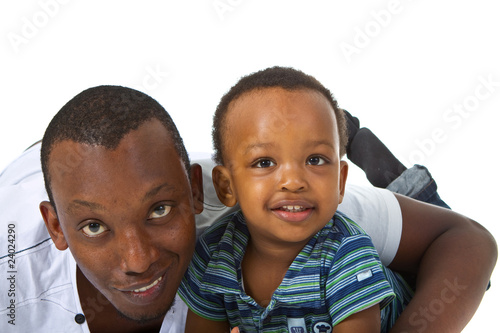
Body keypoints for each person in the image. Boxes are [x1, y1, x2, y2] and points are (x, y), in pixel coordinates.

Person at [0, 85, 496, 332]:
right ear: (56, 225)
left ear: (195, 192)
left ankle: (399, 178)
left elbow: (465, 241)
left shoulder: (266, 208)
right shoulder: (15, 281)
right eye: (93, 226)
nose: (137, 259)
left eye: (159, 212)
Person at [178, 66, 415, 332]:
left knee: (423, 200)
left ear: (340, 182)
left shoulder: (346, 255)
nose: (293, 181)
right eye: (264, 162)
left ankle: (406, 182)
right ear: (226, 186)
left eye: (315, 159)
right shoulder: (213, 255)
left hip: (416, 297)